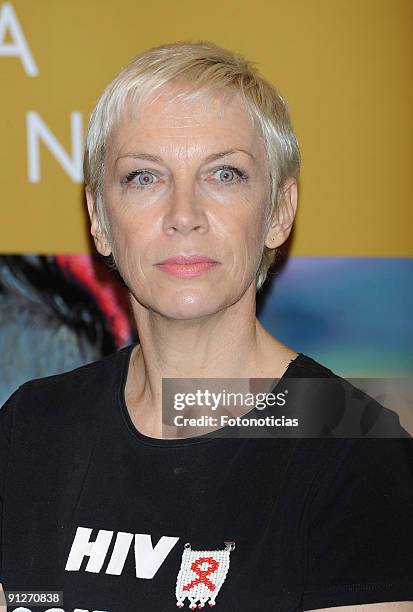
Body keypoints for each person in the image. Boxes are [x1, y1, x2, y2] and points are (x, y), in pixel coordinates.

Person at [0, 41, 412, 612]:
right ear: (98, 219)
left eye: (224, 174)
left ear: (278, 212)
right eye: (145, 177)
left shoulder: (352, 447)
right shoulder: (33, 427)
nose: (184, 215)